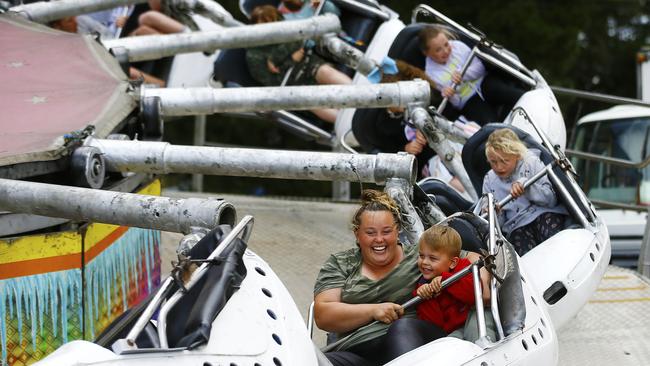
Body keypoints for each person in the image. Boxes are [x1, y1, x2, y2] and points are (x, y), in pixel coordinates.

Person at [314, 190, 492, 365]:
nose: (379, 240)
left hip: (412, 340)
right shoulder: (340, 263)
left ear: (397, 231)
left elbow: (473, 258)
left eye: (386, 231)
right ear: (357, 234)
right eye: (370, 233)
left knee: (402, 326)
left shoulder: (422, 256)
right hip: (356, 350)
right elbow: (323, 314)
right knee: (315, 359)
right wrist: (373, 310)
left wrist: (480, 285)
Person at [245, 5, 352, 124]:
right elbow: (274, 83)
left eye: (273, 24)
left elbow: (300, 42)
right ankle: (349, 122)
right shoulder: (254, 55)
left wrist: (278, 61)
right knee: (310, 100)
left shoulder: (285, 25)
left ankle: (363, 93)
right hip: (292, 85)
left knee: (325, 72)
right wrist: (291, 59)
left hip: (309, 63)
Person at [482, 128, 568, 256]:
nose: (499, 167)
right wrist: (495, 214)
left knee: (552, 235)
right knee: (522, 249)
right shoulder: (489, 179)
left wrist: (528, 187)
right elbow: (498, 227)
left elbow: (551, 200)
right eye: (493, 162)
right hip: (516, 225)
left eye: (504, 161)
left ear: (517, 155)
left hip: (543, 214)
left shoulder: (531, 161)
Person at [418, 25, 524, 125]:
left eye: (446, 44)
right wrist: (450, 94)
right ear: (426, 53)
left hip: (483, 82)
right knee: (490, 123)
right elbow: (455, 103)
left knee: (511, 94)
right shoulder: (430, 74)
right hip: (467, 101)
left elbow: (480, 68)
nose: (445, 51)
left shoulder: (458, 46)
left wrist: (463, 74)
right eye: (438, 50)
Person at [414, 225, 495, 342]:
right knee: (450, 343)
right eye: (421, 256)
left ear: (453, 262)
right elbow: (436, 324)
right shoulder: (423, 284)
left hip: (476, 313)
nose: (425, 262)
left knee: (476, 331)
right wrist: (425, 297)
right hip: (454, 330)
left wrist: (445, 279)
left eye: (432, 258)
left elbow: (473, 295)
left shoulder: (464, 268)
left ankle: (488, 354)